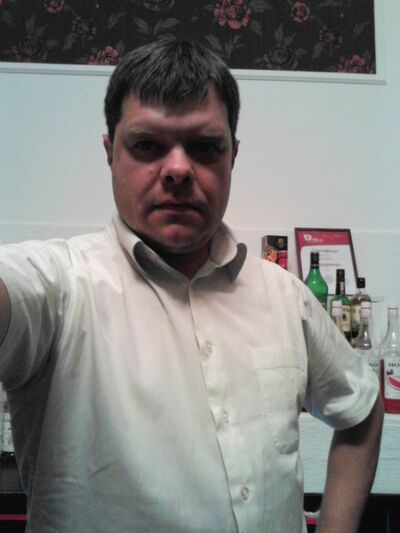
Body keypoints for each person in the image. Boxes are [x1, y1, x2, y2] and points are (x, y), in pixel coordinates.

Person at [0, 38, 383, 533]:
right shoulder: (59, 286)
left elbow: (362, 409)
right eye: (147, 145)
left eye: (204, 147)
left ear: (232, 157)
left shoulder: (285, 297)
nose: (178, 169)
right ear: (110, 153)